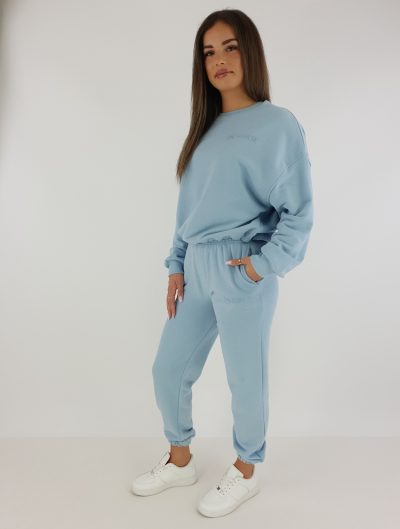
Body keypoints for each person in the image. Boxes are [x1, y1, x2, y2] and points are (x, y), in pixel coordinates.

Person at [131, 8, 314, 518]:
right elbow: (188, 210)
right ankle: (180, 459)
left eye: (230, 47)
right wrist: (176, 265)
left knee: (244, 378)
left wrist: (261, 265)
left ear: (249, 51)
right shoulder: (203, 129)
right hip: (195, 270)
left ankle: (246, 470)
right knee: (168, 368)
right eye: (209, 52)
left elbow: (299, 212)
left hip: (242, 268)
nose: (219, 60)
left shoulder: (278, 124)